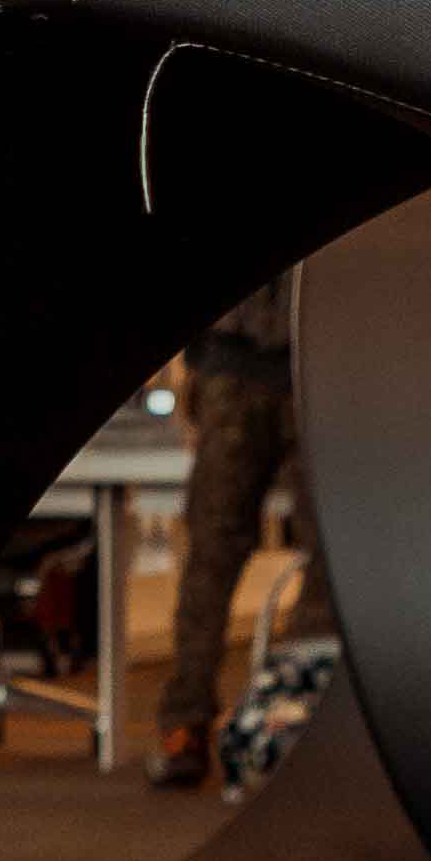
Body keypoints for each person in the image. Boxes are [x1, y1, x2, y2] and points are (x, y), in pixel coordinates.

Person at [148, 272, 335, 788]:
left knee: (332, 557)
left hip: (320, 360)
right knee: (212, 548)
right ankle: (185, 722)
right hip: (232, 363)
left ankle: (298, 712)